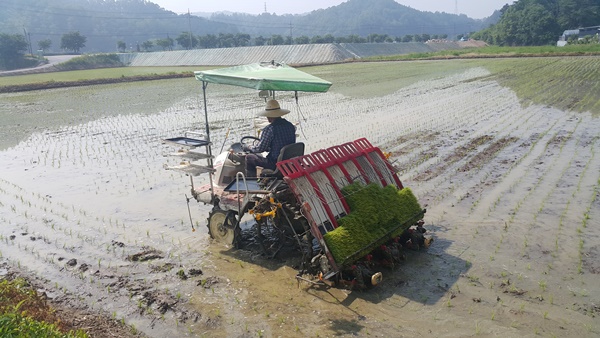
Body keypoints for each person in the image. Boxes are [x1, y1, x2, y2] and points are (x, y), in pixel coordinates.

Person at [242, 99, 296, 177]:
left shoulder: (270, 129)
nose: (267, 117)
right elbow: (282, 144)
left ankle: (251, 183)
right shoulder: (290, 126)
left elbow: (260, 149)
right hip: (289, 162)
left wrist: (248, 147)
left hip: (275, 163)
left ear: (270, 115)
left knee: (249, 158)